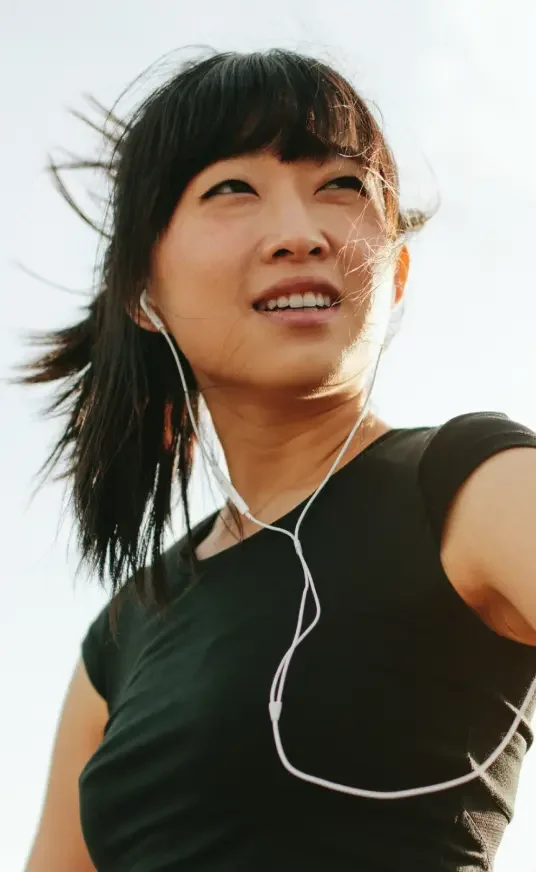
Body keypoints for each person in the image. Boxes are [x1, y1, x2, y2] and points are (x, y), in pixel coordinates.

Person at [21, 48, 536, 872]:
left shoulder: (474, 487)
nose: (301, 234)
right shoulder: (123, 633)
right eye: (233, 189)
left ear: (396, 272)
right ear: (142, 290)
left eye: (342, 187)